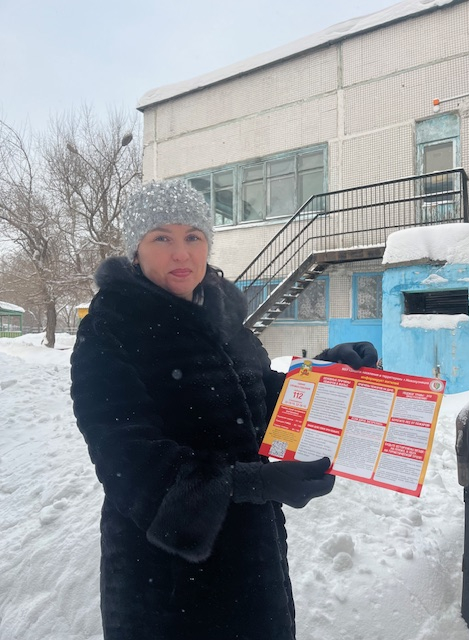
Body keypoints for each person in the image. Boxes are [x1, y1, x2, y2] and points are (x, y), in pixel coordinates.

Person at [70, 179, 378, 640]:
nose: (182, 253)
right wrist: (253, 482)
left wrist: (326, 373)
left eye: (193, 236)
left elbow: (261, 398)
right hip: (169, 581)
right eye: (162, 238)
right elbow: (127, 460)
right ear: (136, 249)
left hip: (253, 559)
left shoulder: (223, 320)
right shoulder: (111, 328)